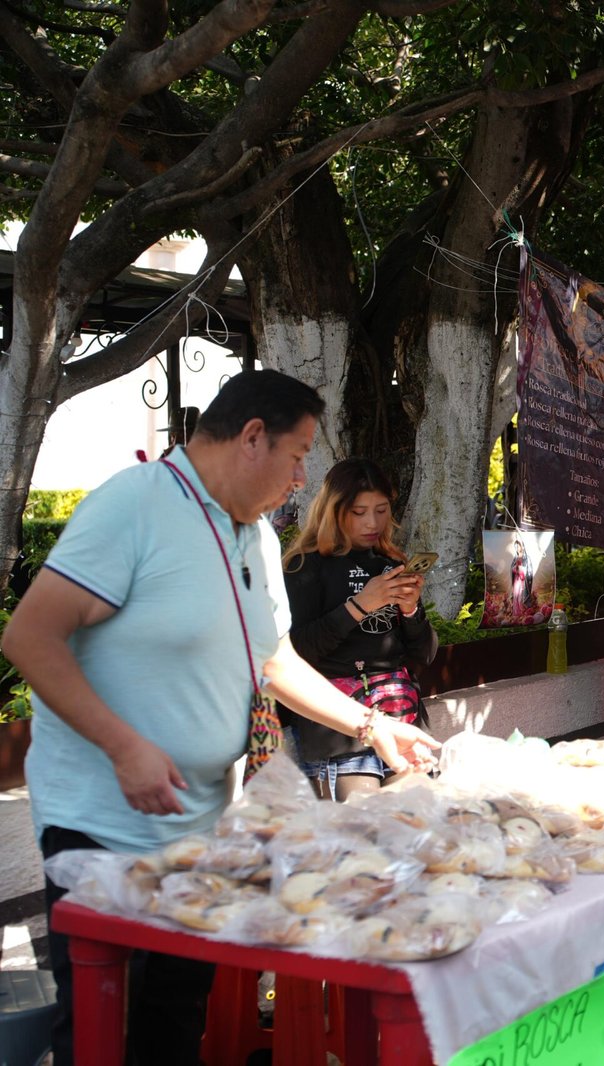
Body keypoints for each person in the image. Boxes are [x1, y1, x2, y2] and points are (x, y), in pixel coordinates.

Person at [3, 370, 440, 1066]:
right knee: (102, 1032)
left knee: (176, 1025)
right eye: (297, 455)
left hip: (202, 826)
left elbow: (274, 660)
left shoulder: (254, 536)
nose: (301, 478)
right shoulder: (135, 505)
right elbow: (30, 637)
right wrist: (123, 747)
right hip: (105, 826)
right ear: (252, 437)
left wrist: (371, 726)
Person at [280, 459, 440, 801]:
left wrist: (411, 610)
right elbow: (294, 653)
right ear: (333, 511)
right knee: (360, 825)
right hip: (339, 732)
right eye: (358, 512)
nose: (372, 522)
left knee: (415, 820)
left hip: (402, 719)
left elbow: (424, 655)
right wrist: (360, 606)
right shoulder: (304, 566)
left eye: (381, 510)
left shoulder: (390, 564)